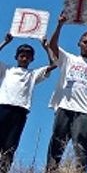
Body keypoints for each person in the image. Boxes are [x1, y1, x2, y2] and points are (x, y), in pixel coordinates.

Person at [46, 13, 87, 171]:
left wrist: (85, 96)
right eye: (85, 42)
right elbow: (52, 45)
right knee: (57, 143)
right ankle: (51, 170)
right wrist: (60, 25)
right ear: (79, 44)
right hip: (64, 108)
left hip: (84, 111)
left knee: (81, 146)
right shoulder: (68, 59)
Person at [0, 34, 56, 171]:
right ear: (16, 57)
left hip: (20, 111)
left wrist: (46, 47)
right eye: (22, 55)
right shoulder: (7, 70)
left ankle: (4, 169)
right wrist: (5, 42)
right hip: (2, 108)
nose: (24, 58)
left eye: (27, 56)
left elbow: (53, 64)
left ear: (32, 59)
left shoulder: (33, 74)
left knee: (10, 145)